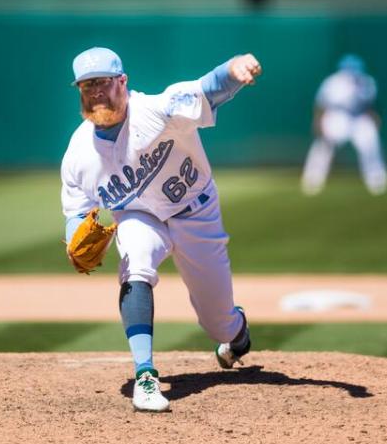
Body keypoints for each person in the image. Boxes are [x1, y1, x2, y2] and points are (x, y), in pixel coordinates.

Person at [61, 46, 262, 412]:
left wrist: (234, 68)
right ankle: (146, 376)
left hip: (196, 213)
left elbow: (209, 88)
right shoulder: (78, 156)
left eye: (103, 83)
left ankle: (236, 335)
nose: (95, 93)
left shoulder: (159, 109)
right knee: (135, 261)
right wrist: (75, 236)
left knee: (219, 324)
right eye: (87, 86)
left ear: (122, 82)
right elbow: (76, 212)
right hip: (139, 216)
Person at [301, 54, 387, 196]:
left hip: (360, 117)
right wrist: (318, 122)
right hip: (337, 116)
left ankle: (376, 180)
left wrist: (374, 118)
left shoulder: (367, 82)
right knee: (323, 146)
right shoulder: (332, 82)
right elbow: (321, 104)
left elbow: (371, 105)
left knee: (370, 143)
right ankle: (313, 179)